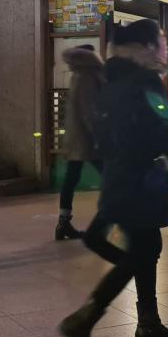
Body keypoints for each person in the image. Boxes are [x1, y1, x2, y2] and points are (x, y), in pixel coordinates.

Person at [59, 19, 168, 337]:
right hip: (141, 182)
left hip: (120, 176)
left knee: (146, 247)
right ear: (145, 48)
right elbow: (159, 129)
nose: (162, 47)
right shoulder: (146, 82)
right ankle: (85, 319)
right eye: (159, 41)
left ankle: (148, 322)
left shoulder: (110, 82)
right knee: (142, 253)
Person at [56, 44, 104, 241]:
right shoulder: (87, 76)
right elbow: (89, 111)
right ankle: (109, 222)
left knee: (71, 178)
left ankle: (63, 222)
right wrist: (100, 136)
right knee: (111, 176)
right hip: (88, 139)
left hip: (75, 137)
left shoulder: (77, 74)